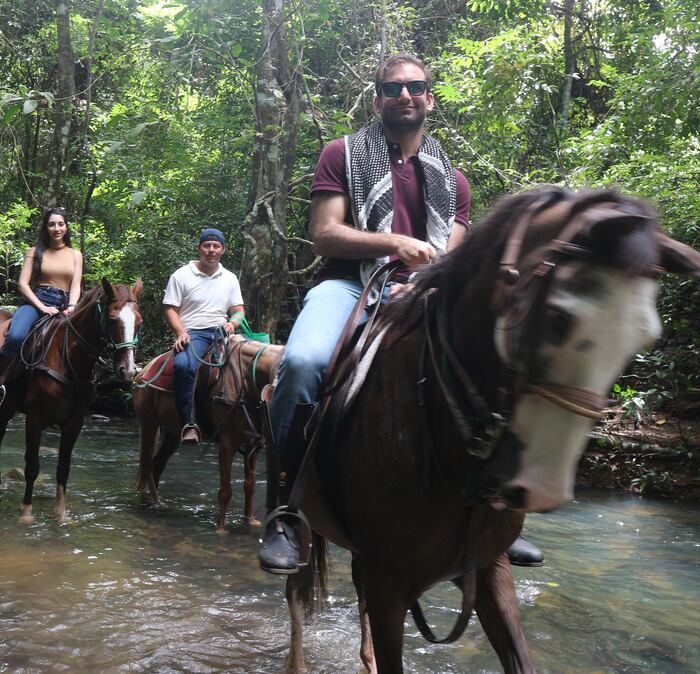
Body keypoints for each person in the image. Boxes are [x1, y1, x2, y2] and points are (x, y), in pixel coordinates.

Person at [258, 54, 544, 574]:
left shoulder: (453, 179)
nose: (404, 95)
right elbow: (325, 234)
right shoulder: (341, 153)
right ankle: (285, 508)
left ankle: (496, 507)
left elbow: (454, 258)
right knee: (300, 365)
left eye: (414, 87)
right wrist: (393, 242)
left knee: (504, 366)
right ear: (378, 100)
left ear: (429, 98)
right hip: (349, 283)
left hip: (425, 294)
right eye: (392, 89)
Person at [0, 207, 83, 405]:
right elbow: (23, 284)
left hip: (66, 305)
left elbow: (76, 284)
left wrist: (72, 305)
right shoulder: (34, 252)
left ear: (66, 226)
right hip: (36, 302)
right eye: (52, 224)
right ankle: (0, 384)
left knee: (82, 341)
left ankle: (82, 388)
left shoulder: (75, 254)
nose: (57, 228)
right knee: (16, 336)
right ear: (46, 227)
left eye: (60, 224)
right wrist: (43, 308)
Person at [162, 228, 246, 445]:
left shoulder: (229, 278)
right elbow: (171, 308)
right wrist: (181, 333)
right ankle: (189, 424)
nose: (211, 250)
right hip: (194, 333)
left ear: (223, 250)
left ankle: (249, 422)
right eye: (207, 246)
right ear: (199, 248)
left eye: (216, 246)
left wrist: (233, 322)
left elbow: (238, 310)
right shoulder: (181, 275)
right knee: (183, 366)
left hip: (222, 332)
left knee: (254, 362)